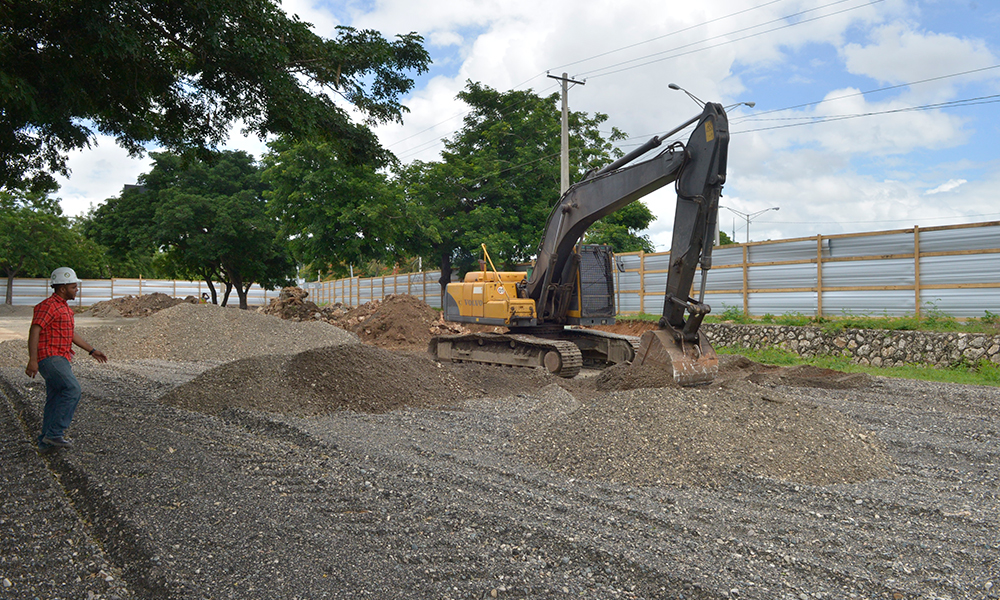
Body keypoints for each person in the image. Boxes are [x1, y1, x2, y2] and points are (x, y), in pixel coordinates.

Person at [25, 267, 108, 452]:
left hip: (61, 357)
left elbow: (70, 334)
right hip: (51, 357)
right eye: (73, 286)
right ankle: (55, 434)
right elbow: (35, 330)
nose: (76, 289)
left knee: (54, 398)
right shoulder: (48, 306)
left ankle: (46, 442)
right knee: (72, 389)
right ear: (62, 288)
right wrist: (32, 359)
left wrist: (92, 350)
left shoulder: (63, 308)